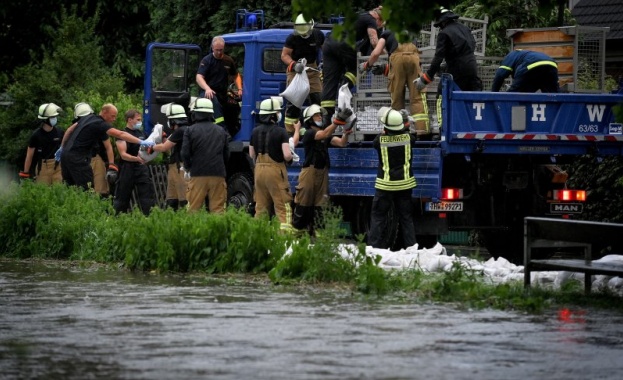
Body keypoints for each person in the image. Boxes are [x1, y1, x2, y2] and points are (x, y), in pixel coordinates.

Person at [57, 103, 154, 192]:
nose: (114, 119)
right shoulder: (100, 124)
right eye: (112, 116)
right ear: (104, 112)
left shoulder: (88, 118)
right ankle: (86, 209)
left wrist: (62, 148)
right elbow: (120, 134)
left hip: (65, 155)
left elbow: (69, 130)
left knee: (68, 188)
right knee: (86, 188)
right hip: (78, 158)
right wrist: (141, 141)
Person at [291, 105, 353, 234]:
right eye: (316, 115)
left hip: (322, 173)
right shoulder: (309, 133)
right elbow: (324, 134)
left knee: (321, 204)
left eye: (320, 115)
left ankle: (318, 233)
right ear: (310, 119)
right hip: (309, 173)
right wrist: (337, 121)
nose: (320, 117)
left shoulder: (324, 134)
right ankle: (298, 232)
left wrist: (345, 133)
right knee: (304, 203)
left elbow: (341, 143)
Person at [362, 30, 430, 138]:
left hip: (397, 59)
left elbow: (376, 53)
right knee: (417, 97)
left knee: (397, 96)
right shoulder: (411, 33)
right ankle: (422, 131)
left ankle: (397, 129)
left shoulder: (387, 34)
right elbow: (406, 59)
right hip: (414, 58)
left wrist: (367, 65)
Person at [367, 107, 416, 249]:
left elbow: (375, 141)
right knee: (406, 218)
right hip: (405, 185)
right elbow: (412, 134)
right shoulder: (409, 139)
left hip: (385, 186)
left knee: (378, 217)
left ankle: (373, 249)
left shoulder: (380, 141)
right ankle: (412, 249)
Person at [249, 97, 294, 231]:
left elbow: (252, 154)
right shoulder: (281, 132)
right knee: (282, 206)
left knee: (261, 208)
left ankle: (259, 237)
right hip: (275, 172)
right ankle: (284, 239)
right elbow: (286, 154)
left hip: (259, 171)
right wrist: (291, 158)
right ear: (274, 115)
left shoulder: (254, 131)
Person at [415, 7, 482, 92]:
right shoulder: (465, 29)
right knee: (469, 98)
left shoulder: (444, 33)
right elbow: (466, 49)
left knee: (443, 92)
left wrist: (425, 79)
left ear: (443, 22)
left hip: (458, 70)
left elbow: (438, 58)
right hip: (472, 67)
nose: (440, 27)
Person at [181, 98, 230, 213]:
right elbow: (226, 154)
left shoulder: (190, 130)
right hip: (218, 174)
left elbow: (185, 153)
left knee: (193, 210)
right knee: (218, 211)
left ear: (195, 114)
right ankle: (217, 231)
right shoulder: (221, 131)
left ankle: (194, 231)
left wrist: (188, 168)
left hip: (198, 174)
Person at [281, 13, 324, 134]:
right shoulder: (292, 38)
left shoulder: (318, 35)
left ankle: (317, 128)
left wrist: (326, 64)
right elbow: (284, 55)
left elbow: (326, 50)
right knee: (294, 101)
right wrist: (294, 65)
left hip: (312, 68)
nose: (304, 35)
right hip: (295, 70)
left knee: (318, 98)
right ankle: (290, 132)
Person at [196, 36, 242, 136]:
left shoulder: (228, 60)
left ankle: (233, 129)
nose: (219, 52)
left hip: (222, 94)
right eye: (217, 50)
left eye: (221, 50)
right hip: (208, 93)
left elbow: (236, 75)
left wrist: (239, 88)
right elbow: (199, 77)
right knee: (215, 103)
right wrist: (207, 88)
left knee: (233, 105)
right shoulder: (207, 60)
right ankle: (222, 131)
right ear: (212, 48)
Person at [113, 109, 156, 215]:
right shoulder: (122, 134)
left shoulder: (141, 133)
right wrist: (135, 158)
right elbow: (123, 155)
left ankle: (148, 219)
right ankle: (118, 219)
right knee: (122, 197)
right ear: (130, 120)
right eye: (138, 119)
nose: (140, 121)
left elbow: (148, 149)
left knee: (147, 197)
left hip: (141, 167)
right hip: (127, 167)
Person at [151, 103, 190, 210]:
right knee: (172, 198)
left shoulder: (180, 131)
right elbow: (169, 145)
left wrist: (151, 147)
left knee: (183, 198)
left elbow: (164, 148)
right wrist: (164, 138)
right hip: (175, 167)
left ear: (173, 120)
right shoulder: (182, 131)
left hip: (180, 168)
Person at [19, 103, 64, 184]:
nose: (55, 119)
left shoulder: (59, 132)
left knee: (59, 191)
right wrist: (25, 173)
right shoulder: (36, 135)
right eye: (53, 117)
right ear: (46, 119)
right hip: (43, 167)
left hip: (58, 166)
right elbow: (29, 156)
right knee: (43, 192)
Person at [320, 32, 358, 118]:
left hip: (330, 42)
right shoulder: (371, 23)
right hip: (345, 41)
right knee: (358, 66)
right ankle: (344, 88)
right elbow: (373, 42)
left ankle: (326, 118)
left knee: (329, 83)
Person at [491, 49, 559, 93]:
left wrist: (493, 95)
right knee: (552, 95)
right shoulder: (524, 54)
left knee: (514, 93)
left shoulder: (509, 57)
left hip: (531, 64)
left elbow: (499, 76)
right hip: (551, 64)